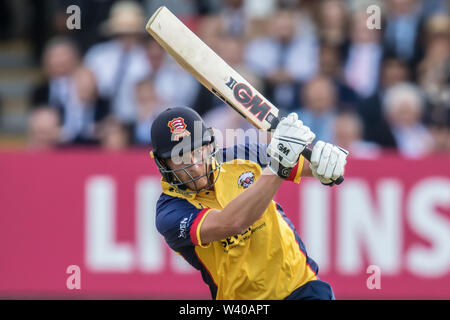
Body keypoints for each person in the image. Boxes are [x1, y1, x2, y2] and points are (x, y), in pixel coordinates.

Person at [150, 106, 348, 300]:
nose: (194, 165)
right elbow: (232, 223)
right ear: (163, 163)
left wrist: (324, 161)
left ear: (209, 145)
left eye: (197, 150)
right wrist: (278, 167)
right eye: (180, 158)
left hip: (301, 287)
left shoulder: (243, 155)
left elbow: (305, 165)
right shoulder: (170, 211)